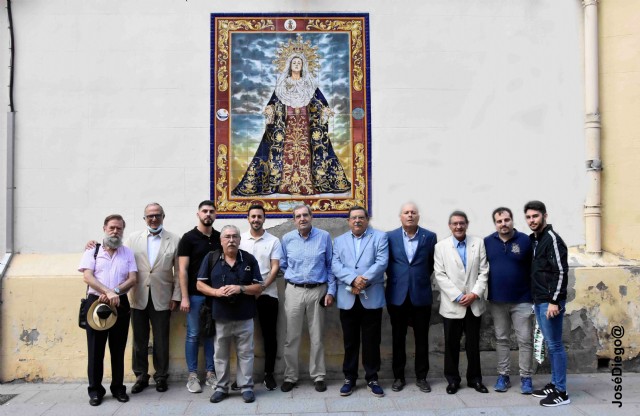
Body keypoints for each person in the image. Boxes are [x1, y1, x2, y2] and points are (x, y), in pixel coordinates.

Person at [232, 34, 351, 196]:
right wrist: (270, 110)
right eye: (294, 62)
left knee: (306, 151)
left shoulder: (310, 84)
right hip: (286, 124)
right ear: (289, 65)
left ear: (303, 65)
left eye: (299, 62)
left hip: (304, 125)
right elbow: (273, 102)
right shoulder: (282, 85)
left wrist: (325, 110)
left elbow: (320, 102)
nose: (296, 65)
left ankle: (306, 183)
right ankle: (283, 184)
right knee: (283, 151)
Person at [196, 225, 263, 404]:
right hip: (220, 316)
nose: (231, 240)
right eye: (227, 237)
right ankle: (221, 387)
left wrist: (240, 288)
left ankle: (246, 387)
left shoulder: (248, 259)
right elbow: (200, 284)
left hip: (245, 316)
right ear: (221, 240)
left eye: (235, 236)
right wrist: (216, 292)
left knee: (246, 353)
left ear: (240, 240)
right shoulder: (211, 258)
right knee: (220, 354)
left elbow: (259, 287)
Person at [78, 214, 137, 406]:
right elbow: (87, 277)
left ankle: (118, 388)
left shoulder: (127, 252)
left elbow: (132, 278)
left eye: (119, 228)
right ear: (104, 228)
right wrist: (107, 292)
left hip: (120, 303)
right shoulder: (92, 251)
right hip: (96, 302)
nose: (115, 231)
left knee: (118, 349)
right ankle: (95, 391)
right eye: (112, 227)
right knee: (95, 349)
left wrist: (116, 292)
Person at [332, 206, 389, 397]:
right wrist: (352, 279)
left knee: (372, 341)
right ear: (348, 221)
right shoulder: (339, 241)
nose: (357, 220)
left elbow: (381, 262)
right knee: (350, 341)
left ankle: (372, 378)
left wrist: (362, 280)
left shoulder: (380, 237)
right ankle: (350, 378)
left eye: (361, 217)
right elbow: (335, 265)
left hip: (370, 295)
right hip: (347, 297)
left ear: (367, 220)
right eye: (353, 218)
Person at [279, 204, 336, 393]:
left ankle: (318, 376)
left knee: (317, 336)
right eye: (298, 216)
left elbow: (330, 266)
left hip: (317, 290)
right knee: (291, 337)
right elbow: (283, 264)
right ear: (294, 220)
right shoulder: (287, 239)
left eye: (305, 215)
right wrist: (294, 276)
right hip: (294, 290)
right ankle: (290, 376)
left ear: (311, 217)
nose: (302, 219)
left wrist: (330, 291)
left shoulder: (324, 237)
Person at [127, 203, 181, 394]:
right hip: (138, 295)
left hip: (163, 297)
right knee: (139, 339)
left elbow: (178, 272)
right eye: (150, 216)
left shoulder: (174, 239)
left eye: (157, 215)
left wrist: (176, 296)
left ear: (163, 216)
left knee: (161, 339)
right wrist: (94, 245)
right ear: (144, 219)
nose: (154, 219)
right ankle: (141, 375)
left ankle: (161, 376)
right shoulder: (133, 239)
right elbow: (120, 258)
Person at [434, 211, 489, 395]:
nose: (458, 226)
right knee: (451, 345)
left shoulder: (478, 243)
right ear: (450, 226)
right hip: (452, 305)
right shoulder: (441, 246)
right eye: (455, 223)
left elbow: (484, 271)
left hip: (473, 304)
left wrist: (474, 294)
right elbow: (440, 275)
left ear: (467, 224)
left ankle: (475, 379)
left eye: (462, 223)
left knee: (473, 344)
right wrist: (458, 296)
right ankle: (452, 380)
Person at [385, 202, 438, 393]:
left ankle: (421, 377)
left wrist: (418, 278)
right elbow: (387, 263)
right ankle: (398, 377)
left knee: (421, 338)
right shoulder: (390, 237)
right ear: (400, 216)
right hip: (397, 295)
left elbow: (431, 263)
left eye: (413, 212)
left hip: (421, 294)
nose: (410, 215)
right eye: (406, 212)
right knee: (398, 338)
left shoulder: (429, 237)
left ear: (418, 216)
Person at [524, 200, 570, 407]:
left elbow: (560, 272)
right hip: (539, 300)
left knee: (555, 345)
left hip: (549, 303)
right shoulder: (534, 240)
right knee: (551, 346)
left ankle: (561, 392)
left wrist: (554, 301)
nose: (532, 220)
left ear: (545, 216)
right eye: (528, 217)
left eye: (535, 216)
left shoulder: (552, 239)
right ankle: (554, 383)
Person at [484, 207, 534, 394]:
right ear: (495, 223)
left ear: (512, 220)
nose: (503, 224)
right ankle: (503, 376)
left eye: (506, 220)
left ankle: (526, 378)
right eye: (499, 221)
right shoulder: (488, 242)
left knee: (524, 340)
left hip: (523, 300)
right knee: (502, 339)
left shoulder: (525, 241)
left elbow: (533, 269)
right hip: (497, 300)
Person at [178, 200, 222, 393]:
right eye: (204, 211)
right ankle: (193, 375)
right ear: (198, 214)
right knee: (194, 335)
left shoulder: (220, 237)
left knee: (211, 335)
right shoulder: (188, 238)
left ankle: (211, 374)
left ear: (215, 215)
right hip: (195, 296)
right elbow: (182, 270)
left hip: (215, 296)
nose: (208, 214)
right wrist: (185, 297)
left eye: (211, 211)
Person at [238, 204, 282, 391]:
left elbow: (275, 267)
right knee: (241, 337)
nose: (256, 219)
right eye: (253, 216)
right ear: (248, 218)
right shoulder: (240, 240)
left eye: (259, 216)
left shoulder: (273, 240)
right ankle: (241, 377)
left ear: (264, 219)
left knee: (269, 336)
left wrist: (261, 287)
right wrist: (247, 290)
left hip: (268, 294)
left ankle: (268, 374)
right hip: (244, 295)